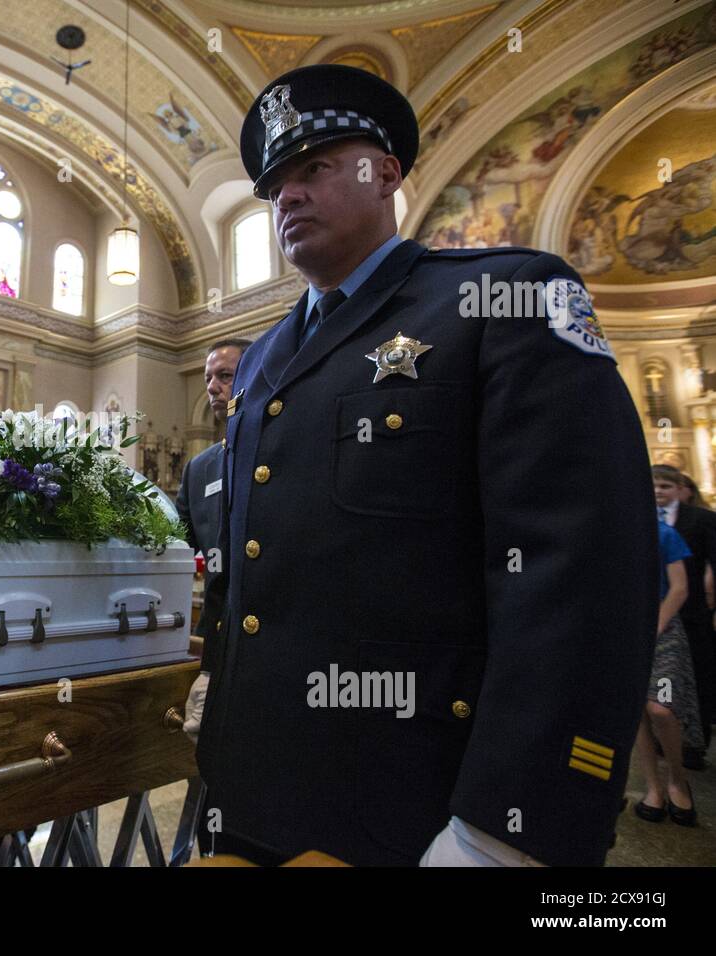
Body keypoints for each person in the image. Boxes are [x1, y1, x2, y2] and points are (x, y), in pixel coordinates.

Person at [196, 64, 656, 867]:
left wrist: (500, 833)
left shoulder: (505, 298)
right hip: (256, 793)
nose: (288, 198)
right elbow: (253, 580)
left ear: (387, 174)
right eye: (275, 187)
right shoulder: (264, 357)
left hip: (420, 810)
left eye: (314, 169)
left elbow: (583, 572)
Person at [177, 339, 248, 742]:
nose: (213, 387)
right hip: (217, 639)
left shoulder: (280, 451)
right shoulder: (199, 468)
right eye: (208, 378)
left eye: (224, 375)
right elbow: (176, 547)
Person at [633, 517, 699, 826]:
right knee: (636, 713)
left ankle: (677, 778)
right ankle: (653, 787)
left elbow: (680, 588)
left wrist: (655, 625)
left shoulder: (665, 533)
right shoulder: (614, 531)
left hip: (664, 630)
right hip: (625, 629)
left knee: (660, 707)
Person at [653, 464, 715, 768]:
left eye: (665, 486)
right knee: (658, 691)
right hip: (655, 616)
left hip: (690, 613)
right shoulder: (643, 523)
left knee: (698, 679)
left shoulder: (700, 519)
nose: (658, 491)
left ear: (681, 489)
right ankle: (662, 743)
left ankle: (694, 744)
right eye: (654, 486)